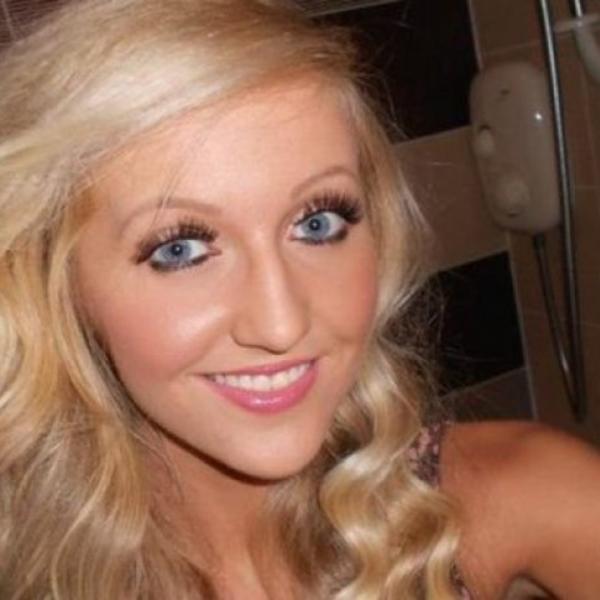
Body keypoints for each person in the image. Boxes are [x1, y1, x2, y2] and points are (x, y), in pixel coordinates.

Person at [0, 0, 599, 598]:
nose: (281, 324)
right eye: (180, 249)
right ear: (59, 283)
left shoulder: (528, 499)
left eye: (317, 223)